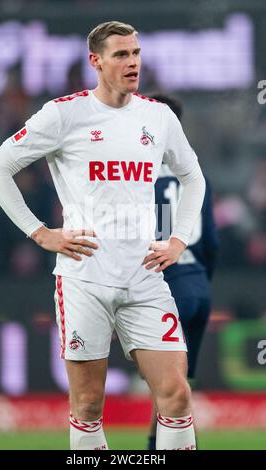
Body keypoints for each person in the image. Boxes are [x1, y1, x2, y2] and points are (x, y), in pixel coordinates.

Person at [0, 21, 206, 450]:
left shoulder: (156, 117)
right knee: (87, 404)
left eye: (136, 52)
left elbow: (192, 177)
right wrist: (40, 232)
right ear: (96, 62)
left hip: (144, 273)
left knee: (176, 396)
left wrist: (178, 239)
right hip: (85, 277)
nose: (132, 61)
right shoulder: (64, 113)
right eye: (121, 54)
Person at [147, 94, 219, 450]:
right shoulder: (194, 173)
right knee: (178, 383)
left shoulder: (143, 174)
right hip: (199, 287)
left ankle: (158, 449)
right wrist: (203, 280)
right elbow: (213, 242)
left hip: (167, 285)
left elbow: (155, 236)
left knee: (168, 387)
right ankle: (163, 444)